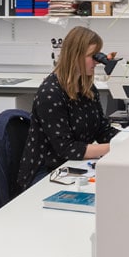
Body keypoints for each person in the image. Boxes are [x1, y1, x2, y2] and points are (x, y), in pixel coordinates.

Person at [16, 26, 119, 190]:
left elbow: (102, 130)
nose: (97, 62)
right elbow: (67, 148)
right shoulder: (50, 94)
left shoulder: (87, 88)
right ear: (75, 56)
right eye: (92, 56)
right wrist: (116, 147)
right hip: (47, 171)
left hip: (74, 165)